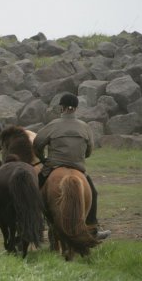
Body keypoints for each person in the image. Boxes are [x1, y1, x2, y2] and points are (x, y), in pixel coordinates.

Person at [33, 93, 110, 240]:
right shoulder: (85, 127)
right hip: (78, 167)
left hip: (53, 167)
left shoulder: (53, 125)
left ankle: (32, 226)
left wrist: (44, 159)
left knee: (33, 191)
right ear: (76, 108)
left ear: (61, 107)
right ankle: (93, 228)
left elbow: (37, 144)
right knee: (93, 193)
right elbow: (89, 151)